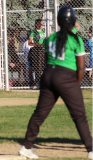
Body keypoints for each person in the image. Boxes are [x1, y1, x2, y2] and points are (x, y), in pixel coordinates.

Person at [18, 6, 92, 159]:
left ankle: (26, 147)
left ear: (58, 21)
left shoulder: (50, 38)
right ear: (73, 21)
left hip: (49, 75)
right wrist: (75, 85)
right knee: (79, 116)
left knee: (39, 114)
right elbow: (81, 67)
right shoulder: (76, 39)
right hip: (67, 78)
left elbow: (47, 60)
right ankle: (91, 150)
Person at [28, 19, 46, 89]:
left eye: (42, 24)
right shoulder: (33, 32)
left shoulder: (43, 31)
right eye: (40, 24)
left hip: (43, 50)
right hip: (37, 51)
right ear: (37, 24)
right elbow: (29, 43)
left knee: (44, 67)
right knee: (38, 68)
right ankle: (38, 82)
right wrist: (37, 44)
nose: (42, 26)